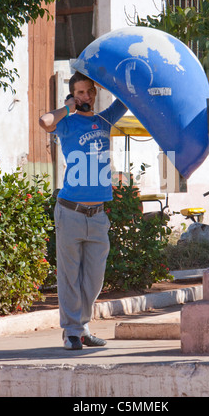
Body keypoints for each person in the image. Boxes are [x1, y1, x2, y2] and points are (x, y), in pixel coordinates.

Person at [39, 71, 127, 350]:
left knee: (94, 278)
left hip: (98, 215)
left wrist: (106, 82)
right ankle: (72, 332)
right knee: (68, 276)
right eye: (79, 93)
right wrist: (68, 108)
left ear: (95, 92)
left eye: (89, 91)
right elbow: (45, 122)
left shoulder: (105, 119)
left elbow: (126, 99)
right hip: (70, 212)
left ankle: (81, 326)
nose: (86, 96)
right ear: (72, 95)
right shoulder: (67, 123)